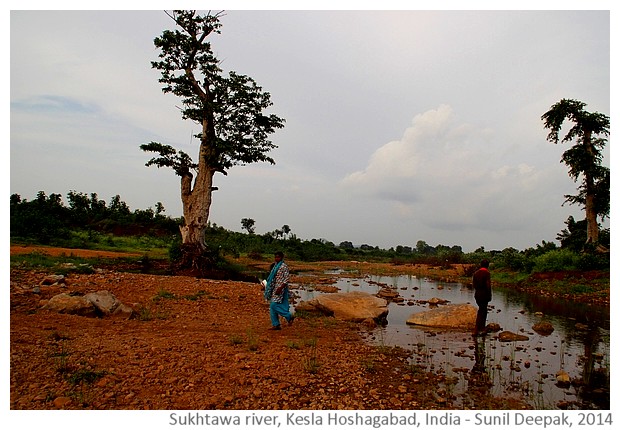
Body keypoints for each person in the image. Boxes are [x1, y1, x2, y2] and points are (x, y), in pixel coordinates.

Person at [264, 251, 294, 330]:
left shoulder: (284, 266)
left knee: (274, 305)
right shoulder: (275, 266)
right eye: (275, 257)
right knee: (272, 307)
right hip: (274, 288)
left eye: (278, 257)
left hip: (280, 289)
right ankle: (276, 324)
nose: (276, 258)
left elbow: (286, 279)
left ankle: (289, 316)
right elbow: (272, 278)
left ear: (281, 258)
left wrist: (280, 288)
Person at [472, 259, 492, 336]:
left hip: (477, 294)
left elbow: (474, 285)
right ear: (488, 265)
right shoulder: (486, 273)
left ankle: (479, 329)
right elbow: (488, 285)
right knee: (482, 311)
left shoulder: (476, 273)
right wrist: (489, 295)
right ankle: (479, 329)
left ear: (481, 265)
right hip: (484, 294)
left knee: (481, 310)